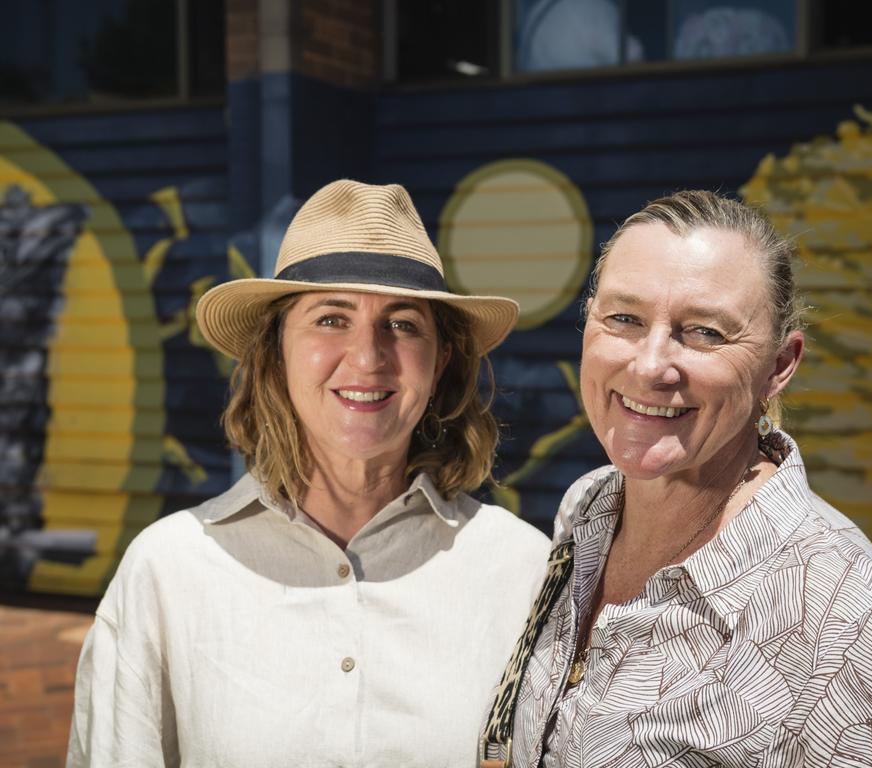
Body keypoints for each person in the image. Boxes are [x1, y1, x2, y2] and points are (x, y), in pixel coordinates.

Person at [66, 179, 550, 767]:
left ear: (440, 359)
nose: (368, 357)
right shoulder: (168, 573)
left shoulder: (522, 571)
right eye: (330, 319)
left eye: (402, 324)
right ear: (276, 351)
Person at [481, 190, 872, 767]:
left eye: (705, 332)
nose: (649, 365)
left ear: (780, 365)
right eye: (624, 319)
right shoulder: (587, 510)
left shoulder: (851, 636)